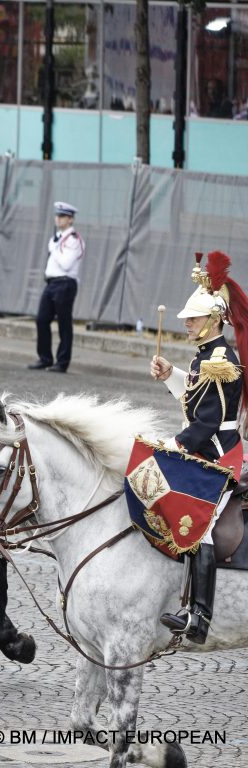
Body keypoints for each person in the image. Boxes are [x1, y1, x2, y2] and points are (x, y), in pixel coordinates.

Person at [150, 251, 247, 645]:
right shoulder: (205, 356)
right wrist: (170, 374)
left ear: (213, 320)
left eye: (193, 318)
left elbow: (207, 423)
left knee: (199, 525)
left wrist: (174, 445)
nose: (186, 323)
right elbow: (194, 399)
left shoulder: (221, 360)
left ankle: (200, 617)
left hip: (219, 454)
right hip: (203, 447)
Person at [28, 201, 84, 374]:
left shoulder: (74, 240)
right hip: (51, 283)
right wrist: (55, 247)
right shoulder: (57, 239)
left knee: (64, 323)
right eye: (57, 215)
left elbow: (66, 264)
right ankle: (45, 358)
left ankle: (62, 362)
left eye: (62, 216)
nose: (58, 219)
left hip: (65, 283)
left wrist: (54, 249)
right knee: (42, 319)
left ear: (70, 219)